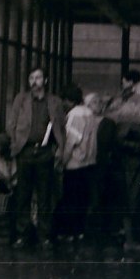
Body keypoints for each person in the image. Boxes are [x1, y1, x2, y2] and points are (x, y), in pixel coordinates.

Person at [5, 68, 66, 250]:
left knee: (45, 195)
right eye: (31, 78)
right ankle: (23, 235)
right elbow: (12, 124)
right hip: (25, 152)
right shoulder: (21, 100)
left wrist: (59, 149)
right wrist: (16, 143)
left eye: (38, 77)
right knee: (23, 195)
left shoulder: (54, 102)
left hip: (45, 153)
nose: (34, 81)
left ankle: (44, 235)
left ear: (45, 80)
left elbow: (61, 127)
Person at [97, 70, 140, 252]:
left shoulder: (124, 105)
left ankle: (131, 239)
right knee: (132, 203)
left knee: (128, 202)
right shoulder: (139, 106)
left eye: (124, 82)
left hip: (126, 163)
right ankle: (135, 240)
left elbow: (116, 137)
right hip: (134, 163)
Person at [59, 90, 105, 243]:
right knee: (82, 200)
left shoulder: (75, 115)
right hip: (89, 163)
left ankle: (70, 233)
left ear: (69, 100)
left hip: (75, 163)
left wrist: (63, 161)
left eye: (64, 101)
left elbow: (72, 141)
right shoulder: (90, 114)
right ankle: (79, 231)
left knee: (71, 199)